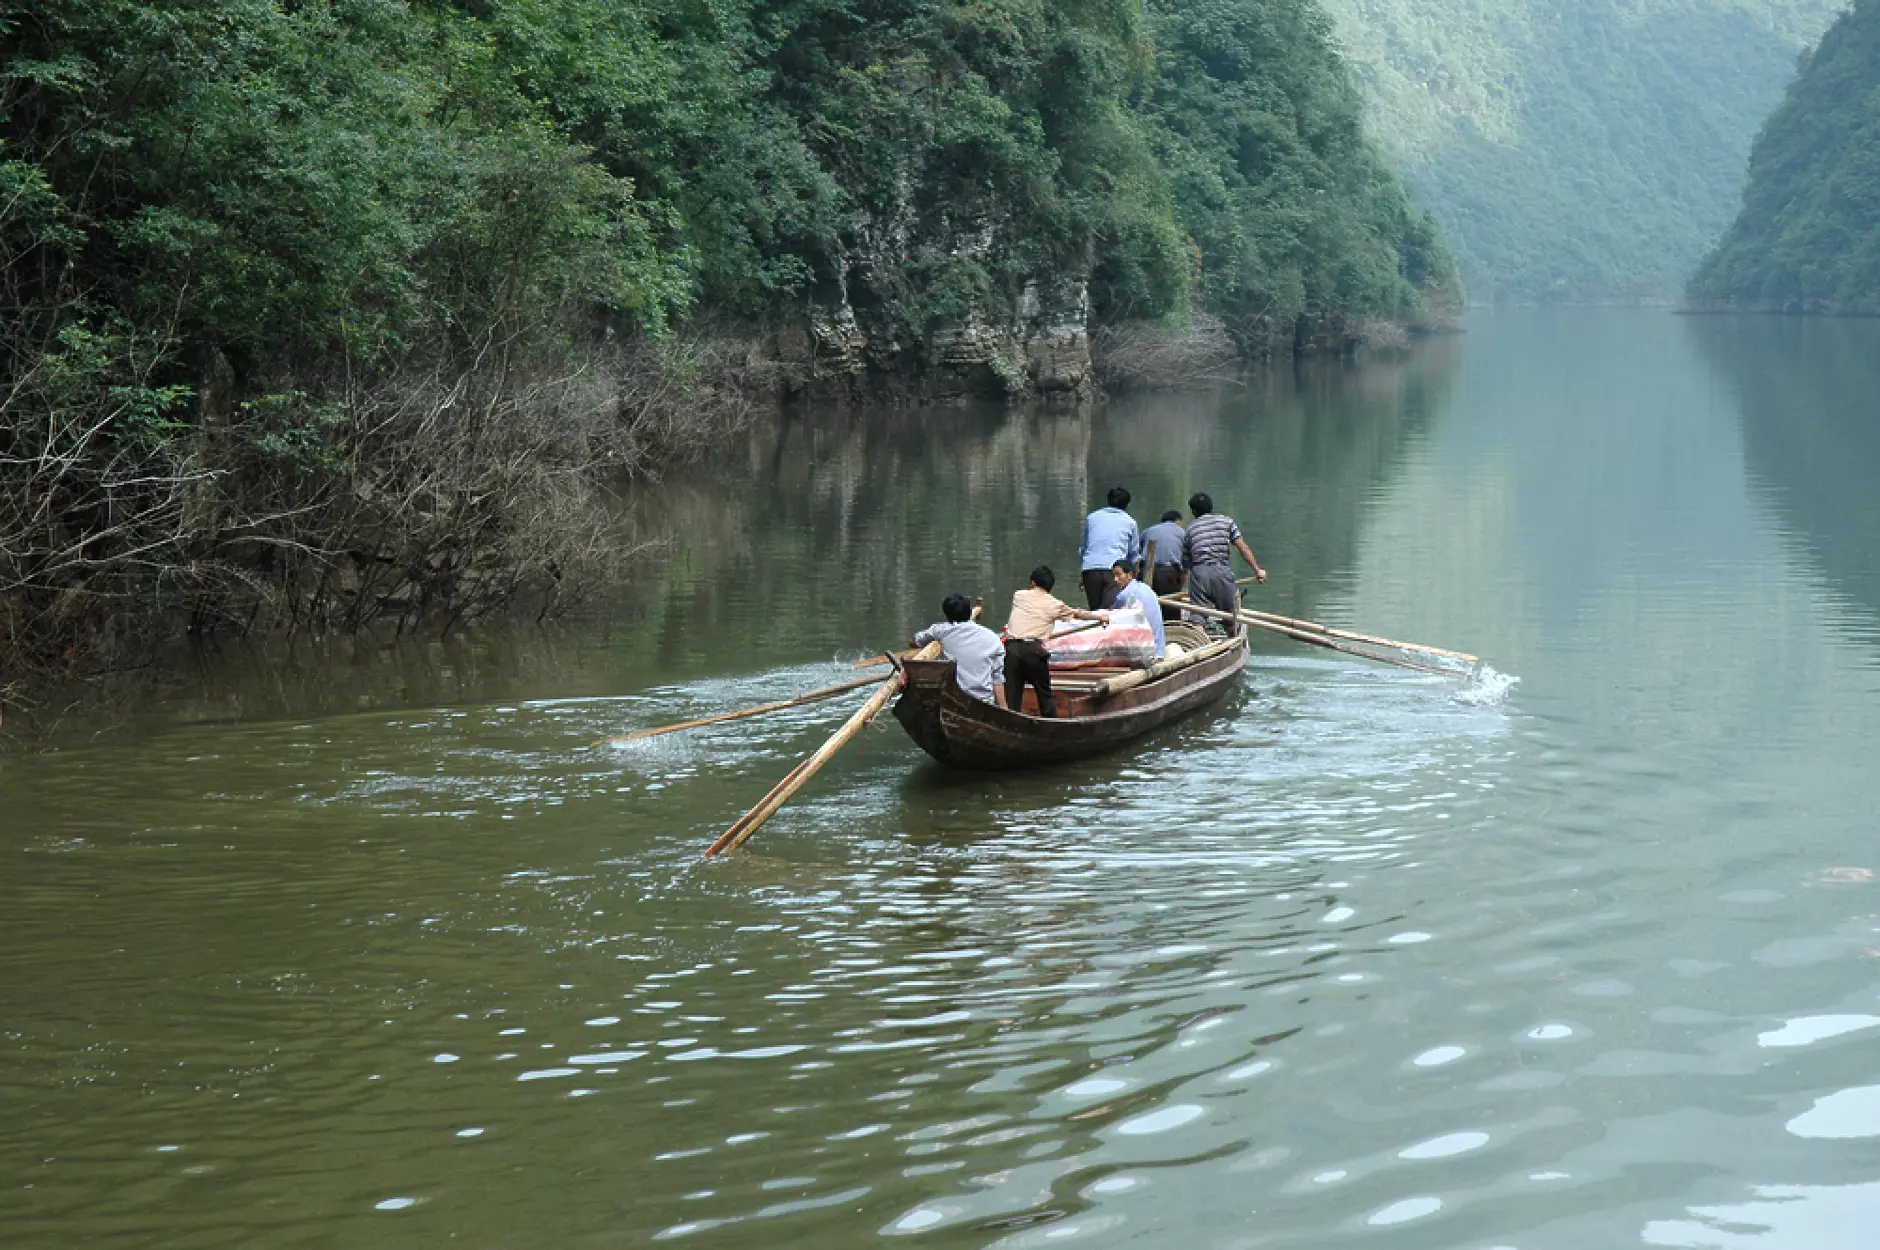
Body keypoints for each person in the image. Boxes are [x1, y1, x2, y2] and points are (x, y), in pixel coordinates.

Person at [1004, 565, 1107, 717]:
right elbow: (1077, 614)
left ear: (1032, 583)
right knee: (1044, 695)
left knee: (1011, 697)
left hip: (1011, 649)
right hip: (1033, 651)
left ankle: (1010, 723)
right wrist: (1100, 617)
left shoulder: (1018, 595)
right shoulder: (1054, 605)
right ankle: (1051, 726)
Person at [1182, 492, 1266, 633]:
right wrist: (1258, 571)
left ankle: (1200, 647)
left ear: (1194, 511)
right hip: (1222, 571)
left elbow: (1186, 561)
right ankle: (1233, 643)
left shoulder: (1190, 529)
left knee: (1197, 618)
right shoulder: (1227, 522)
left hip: (1199, 573)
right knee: (1230, 616)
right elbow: (1243, 548)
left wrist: (1194, 582)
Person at [911, 593, 1004, 704]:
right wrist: (1004, 708)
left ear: (946, 616)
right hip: (983, 701)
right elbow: (997, 679)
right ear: (970, 612)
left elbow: (914, 641)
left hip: (951, 699)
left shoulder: (940, 630)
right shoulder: (992, 638)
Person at [1079, 486, 1140, 611]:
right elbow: (1134, 554)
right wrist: (1134, 577)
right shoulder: (1130, 522)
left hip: (1090, 569)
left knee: (1095, 611)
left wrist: (1082, 572)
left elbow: (1083, 549)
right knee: (1110, 611)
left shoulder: (1092, 518)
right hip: (1114, 571)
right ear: (1127, 504)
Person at [1107, 561, 1164, 661]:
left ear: (1129, 575)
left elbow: (1111, 616)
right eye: (1114, 576)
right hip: (1159, 650)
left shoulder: (1124, 595)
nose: (1115, 580)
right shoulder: (1145, 587)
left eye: (1119, 575)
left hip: (1146, 651)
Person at [1140, 509, 1187, 623]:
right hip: (1168, 572)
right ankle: (1171, 634)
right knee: (1171, 612)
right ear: (1178, 522)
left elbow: (1139, 555)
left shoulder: (1148, 531)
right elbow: (1184, 567)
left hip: (1146, 572)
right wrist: (1179, 588)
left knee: (1148, 610)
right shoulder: (1182, 533)